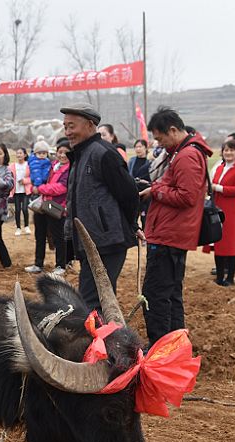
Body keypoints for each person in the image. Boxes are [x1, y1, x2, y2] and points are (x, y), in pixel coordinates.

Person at [139, 106, 212, 346]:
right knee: (170, 293)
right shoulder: (185, 152)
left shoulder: (187, 156)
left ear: (173, 130)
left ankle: (160, 346)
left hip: (169, 234)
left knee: (156, 295)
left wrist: (156, 190)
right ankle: (175, 345)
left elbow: (187, 196)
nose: (159, 144)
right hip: (172, 232)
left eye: (160, 138)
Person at [61, 102, 141, 312]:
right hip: (90, 242)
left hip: (107, 242)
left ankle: (102, 333)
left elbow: (129, 193)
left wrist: (132, 225)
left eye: (72, 126)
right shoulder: (80, 154)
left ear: (90, 125)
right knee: (98, 299)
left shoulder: (103, 153)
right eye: (65, 127)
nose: (67, 132)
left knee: (92, 302)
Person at [203, 139, 235, 286]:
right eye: (226, 150)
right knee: (218, 242)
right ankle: (219, 276)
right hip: (218, 209)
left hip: (231, 211)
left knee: (231, 243)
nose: (228, 153)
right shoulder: (219, 167)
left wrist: (218, 188)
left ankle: (230, 278)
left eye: (231, 150)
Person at [26, 139, 71, 274]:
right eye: (60, 152)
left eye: (65, 152)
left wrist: (40, 189)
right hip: (43, 205)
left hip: (57, 206)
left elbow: (61, 188)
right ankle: (38, 263)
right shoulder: (52, 165)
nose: (62, 155)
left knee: (58, 237)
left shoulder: (70, 169)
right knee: (40, 235)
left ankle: (60, 265)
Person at [9, 146, 31, 235]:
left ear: (25, 155)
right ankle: (18, 228)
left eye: (20, 153)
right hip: (16, 191)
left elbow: (32, 178)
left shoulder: (28, 165)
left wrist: (24, 181)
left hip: (26, 191)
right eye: (17, 153)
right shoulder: (12, 166)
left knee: (25, 209)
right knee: (17, 210)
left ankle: (26, 226)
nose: (19, 155)